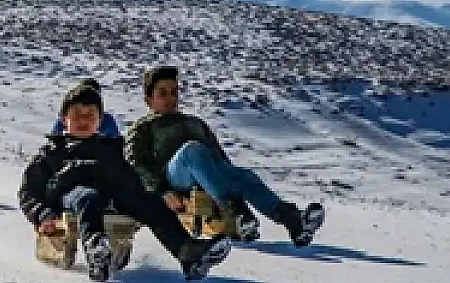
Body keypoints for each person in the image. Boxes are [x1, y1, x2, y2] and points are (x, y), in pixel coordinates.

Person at [19, 79, 230, 283]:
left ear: (100, 120)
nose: (84, 120)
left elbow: (134, 176)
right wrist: (43, 214)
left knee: (150, 202)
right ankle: (97, 251)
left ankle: (188, 252)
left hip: (113, 195)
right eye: (77, 115)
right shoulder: (52, 153)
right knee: (87, 197)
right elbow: (28, 191)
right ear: (64, 119)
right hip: (71, 198)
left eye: (90, 115)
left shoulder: (114, 148)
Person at [125, 65, 325, 248]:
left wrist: (234, 179)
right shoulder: (143, 128)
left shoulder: (195, 123)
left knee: (243, 176)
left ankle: (293, 220)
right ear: (149, 99)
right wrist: (163, 191)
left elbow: (219, 160)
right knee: (192, 150)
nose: (170, 98)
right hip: (173, 178)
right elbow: (136, 164)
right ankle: (235, 213)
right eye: (162, 93)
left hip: (206, 176)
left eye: (174, 92)